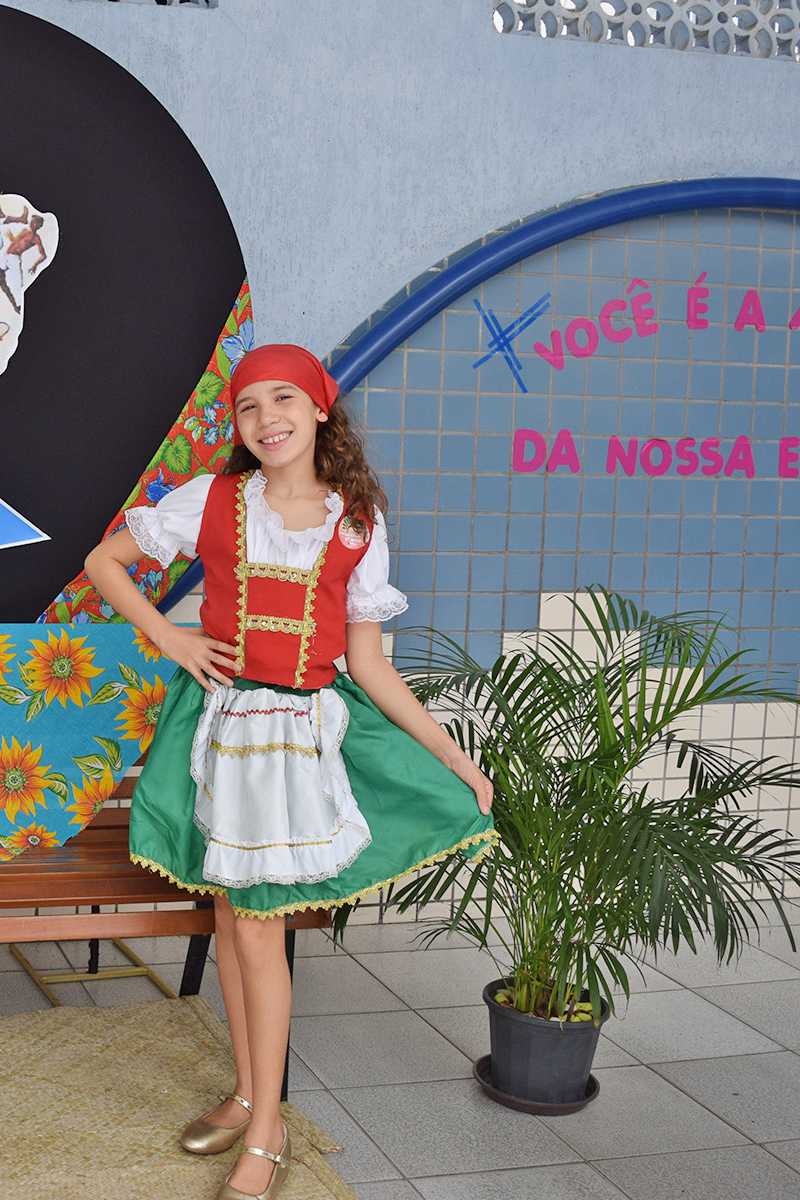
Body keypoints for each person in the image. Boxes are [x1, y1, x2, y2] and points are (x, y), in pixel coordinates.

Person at [84, 344, 495, 1200]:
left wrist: (453, 755)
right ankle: (249, 1098)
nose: (266, 418)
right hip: (222, 728)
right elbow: (103, 562)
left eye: (284, 399)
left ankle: (265, 1127)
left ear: (318, 410)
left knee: (257, 926)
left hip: (298, 739)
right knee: (232, 919)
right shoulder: (213, 499)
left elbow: (369, 664)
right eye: (248, 406)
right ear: (237, 423)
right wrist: (171, 637)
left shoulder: (356, 522)